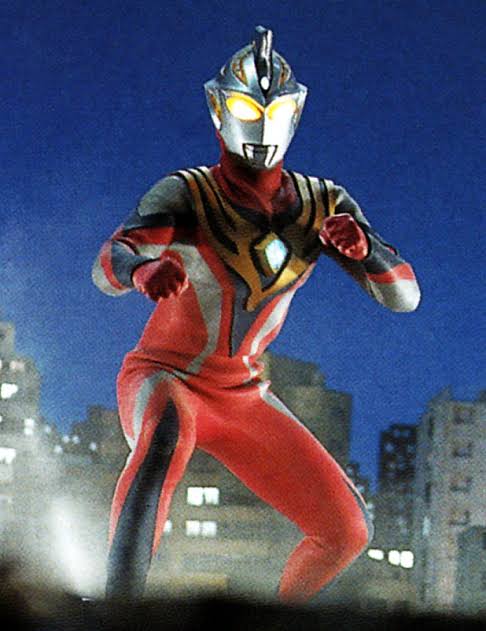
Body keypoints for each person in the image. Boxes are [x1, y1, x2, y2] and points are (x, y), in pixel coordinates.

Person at [92, 26, 420, 603]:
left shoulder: (323, 202)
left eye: (274, 112)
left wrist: (365, 249)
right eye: (247, 110)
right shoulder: (188, 193)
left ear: (295, 113)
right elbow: (109, 262)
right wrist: (142, 270)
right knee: (168, 428)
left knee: (346, 530)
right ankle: (118, 605)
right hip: (165, 377)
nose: (261, 126)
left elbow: (403, 295)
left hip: (243, 394)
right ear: (220, 110)